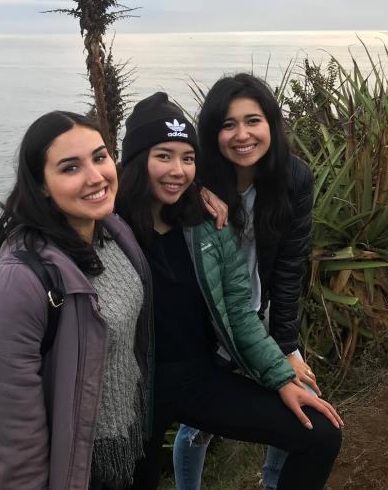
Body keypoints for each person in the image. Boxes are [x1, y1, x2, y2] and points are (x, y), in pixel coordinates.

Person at [114, 93, 343, 490]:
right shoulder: (107, 231)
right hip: (131, 396)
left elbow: (238, 310)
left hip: (198, 379)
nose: (178, 170)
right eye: (163, 156)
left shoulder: (204, 225)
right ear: (136, 162)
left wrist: (281, 377)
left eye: (187, 158)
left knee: (320, 433)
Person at [0, 111, 153, 490]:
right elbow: (13, 436)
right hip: (70, 469)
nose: (95, 176)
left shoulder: (111, 229)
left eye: (100, 157)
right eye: (70, 168)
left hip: (122, 446)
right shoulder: (16, 284)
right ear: (42, 185)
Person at [172, 73, 321, 490]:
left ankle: (271, 483)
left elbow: (291, 264)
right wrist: (193, 188)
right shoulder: (195, 179)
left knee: (299, 398)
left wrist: (288, 345)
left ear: (271, 123)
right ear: (212, 132)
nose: (242, 135)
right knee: (196, 425)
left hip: (264, 313)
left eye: (252, 121)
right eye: (228, 124)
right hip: (213, 319)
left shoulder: (294, 179)